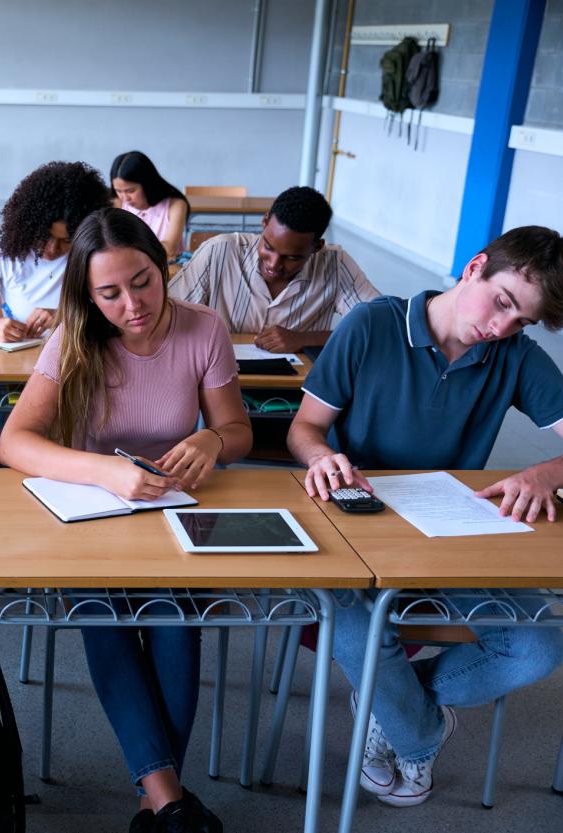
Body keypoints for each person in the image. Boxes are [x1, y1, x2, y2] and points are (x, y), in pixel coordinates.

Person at [287, 224, 563, 808]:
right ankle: (421, 733)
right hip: (351, 525)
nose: (500, 327)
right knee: (360, 631)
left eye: (521, 321)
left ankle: (394, 705)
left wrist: (547, 473)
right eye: (503, 303)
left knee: (539, 645)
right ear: (475, 267)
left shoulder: (513, 355)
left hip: (450, 533)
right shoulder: (373, 325)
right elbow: (304, 429)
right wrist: (322, 455)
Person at [0, 208, 249, 833]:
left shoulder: (203, 328)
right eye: (108, 293)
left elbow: (239, 429)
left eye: (141, 281)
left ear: (163, 267)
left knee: (174, 619)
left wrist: (213, 442)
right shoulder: (75, 337)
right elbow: (14, 442)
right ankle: (169, 801)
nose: (132, 304)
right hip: (90, 517)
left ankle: (158, 801)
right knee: (106, 617)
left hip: (170, 511)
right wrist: (102, 470)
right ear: (87, 294)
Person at [0, 160, 108, 464]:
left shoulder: (94, 256)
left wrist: (64, 316)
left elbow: (113, 314)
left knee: (71, 434)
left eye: (65, 241)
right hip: (8, 367)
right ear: (31, 222)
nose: (51, 248)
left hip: (72, 369)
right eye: (45, 235)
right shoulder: (4, 249)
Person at [170, 185, 379, 353]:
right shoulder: (220, 251)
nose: (273, 264)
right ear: (264, 221)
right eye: (268, 247)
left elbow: (380, 326)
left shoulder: (334, 264)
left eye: (291, 258)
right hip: (218, 385)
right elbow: (167, 313)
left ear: (317, 247)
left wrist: (304, 339)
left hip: (300, 390)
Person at [109, 150, 188, 259]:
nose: (125, 198)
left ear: (146, 184)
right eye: (118, 191)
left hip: (169, 271)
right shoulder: (117, 203)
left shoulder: (175, 205)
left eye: (130, 191)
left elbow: (169, 249)